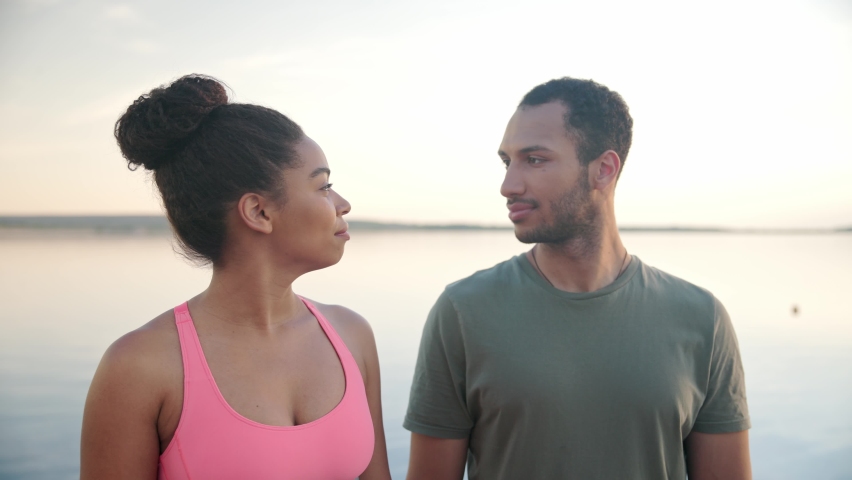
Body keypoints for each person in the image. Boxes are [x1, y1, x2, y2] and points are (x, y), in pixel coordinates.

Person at [404, 77, 751, 479]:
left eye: (534, 159)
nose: (508, 185)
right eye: (507, 161)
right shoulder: (463, 311)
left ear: (603, 170)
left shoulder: (701, 318)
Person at [80, 75, 391, 479]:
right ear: (258, 212)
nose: (343, 204)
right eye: (323, 186)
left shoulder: (352, 336)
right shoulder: (140, 366)